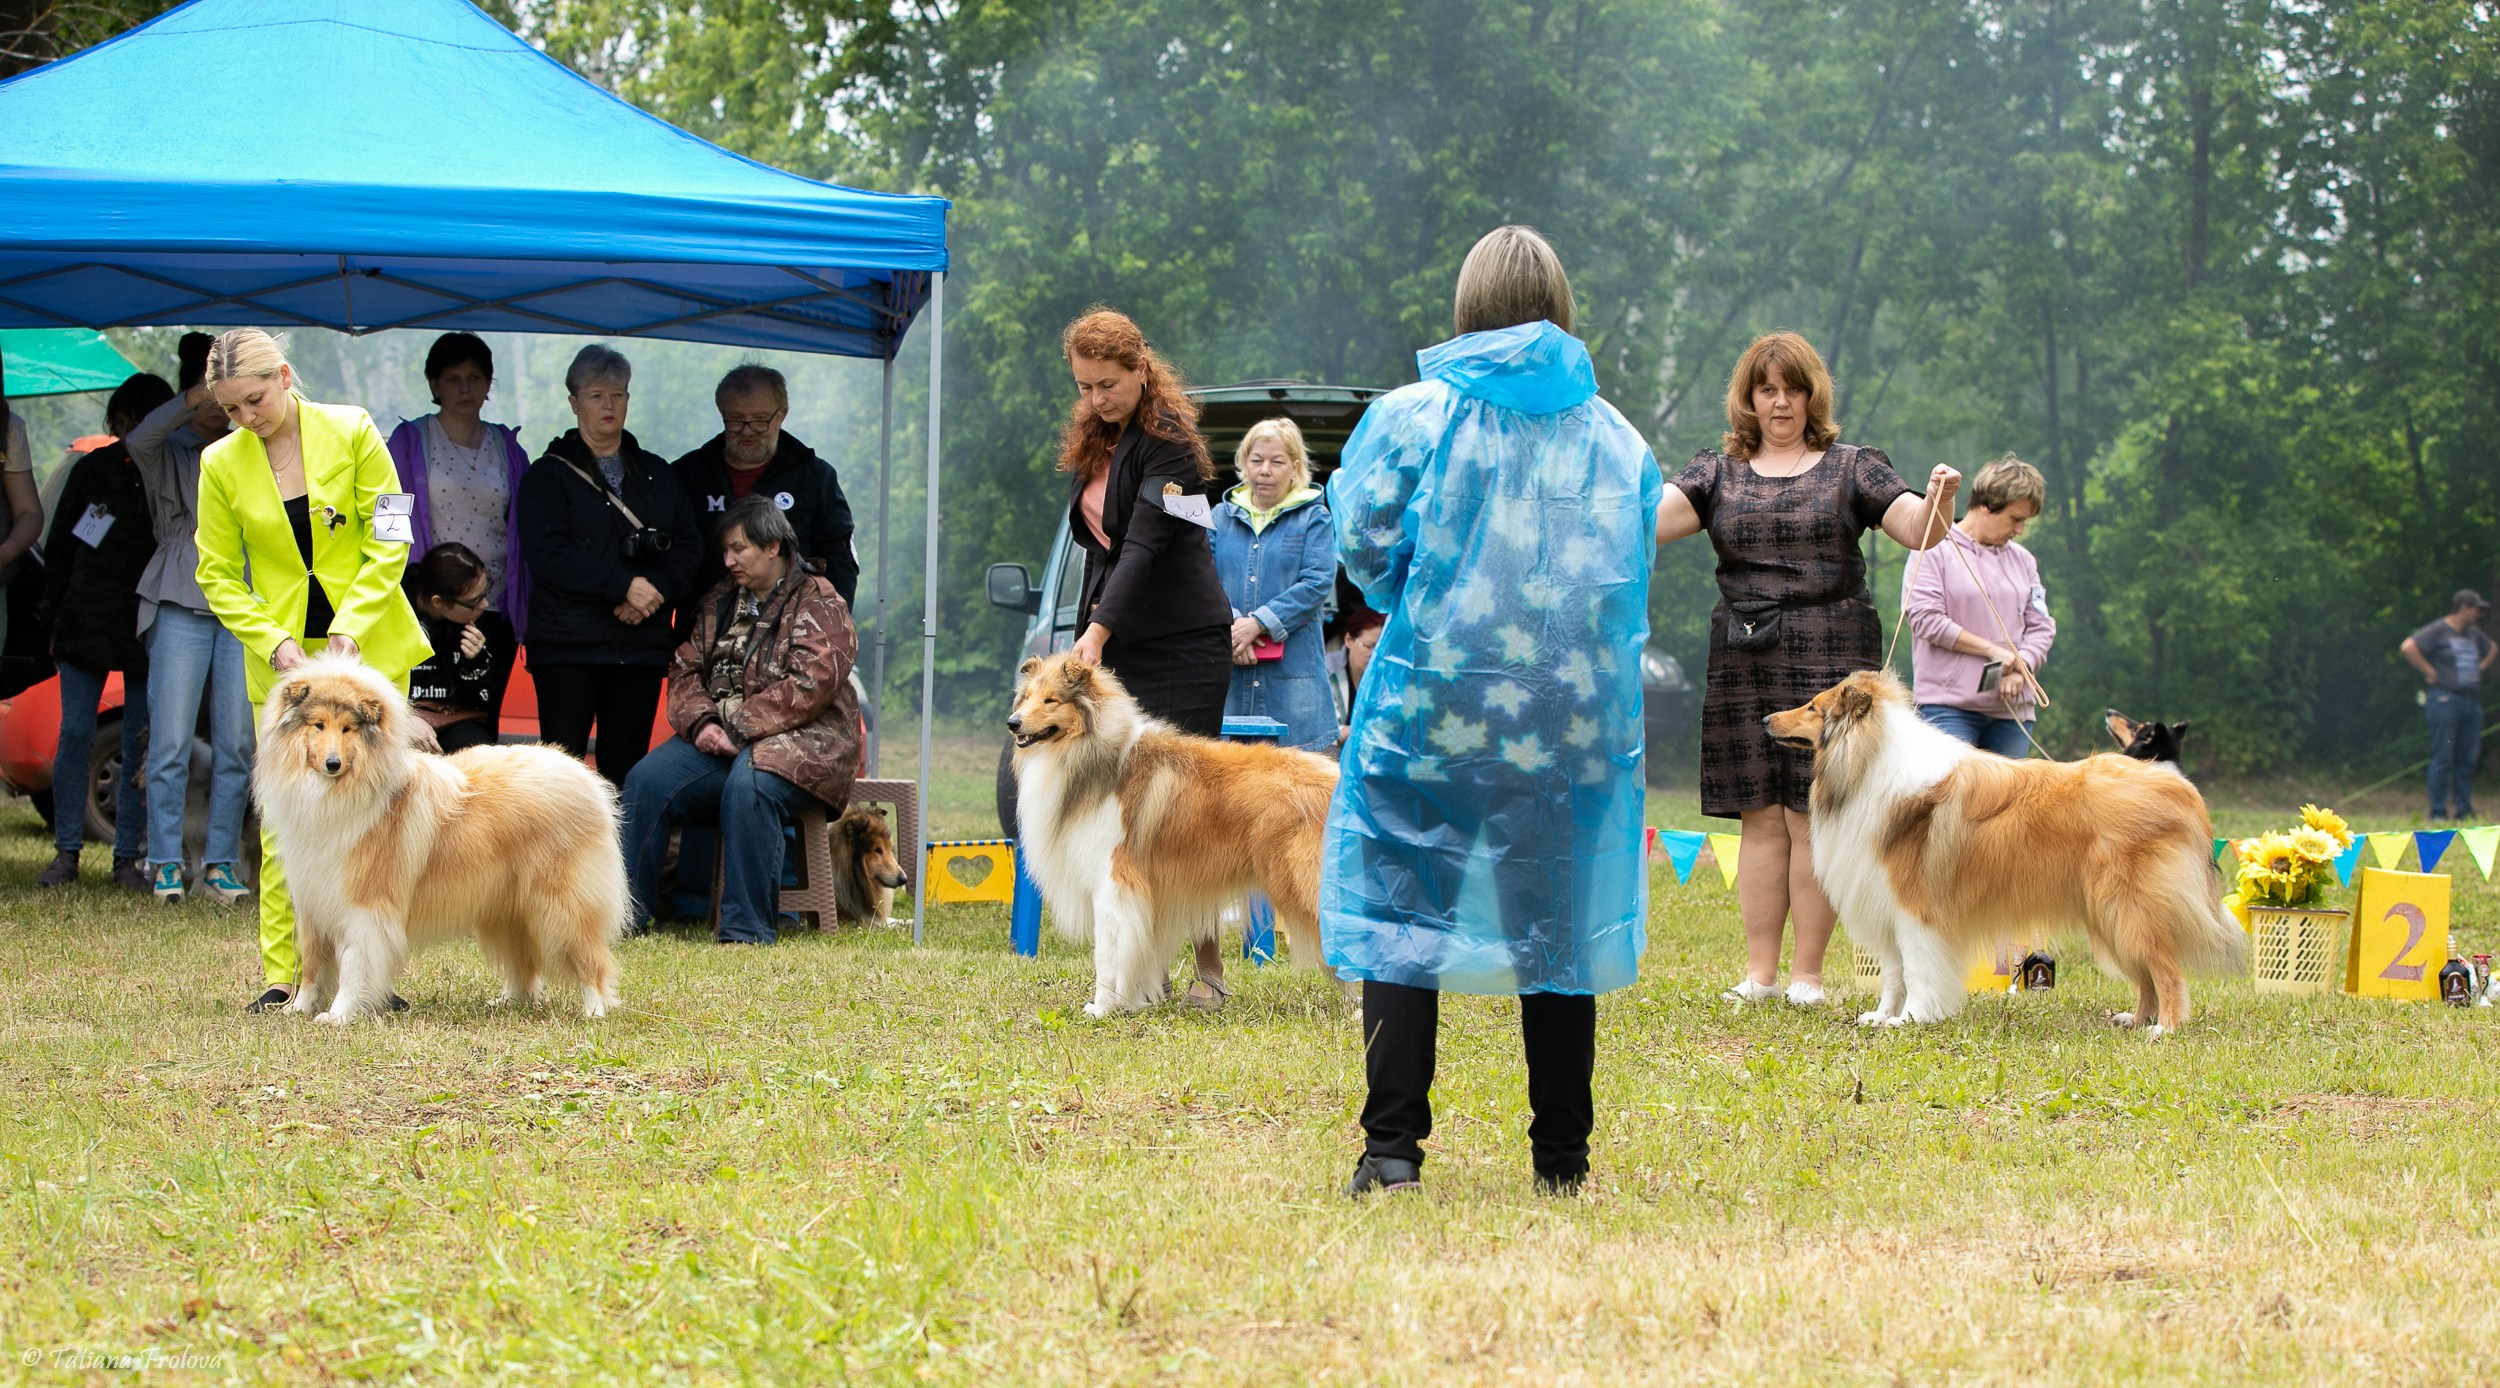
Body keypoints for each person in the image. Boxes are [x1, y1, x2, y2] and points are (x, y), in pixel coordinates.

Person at [1326, 226, 1662, 1198]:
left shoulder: (1409, 418)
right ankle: (1561, 1156)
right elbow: (1620, 579)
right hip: (1568, 722)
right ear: (1560, 303)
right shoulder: (1615, 438)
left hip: (1431, 709)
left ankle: (1390, 1150)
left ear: (1466, 304)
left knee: (1404, 916)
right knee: (1554, 929)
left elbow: (1369, 553)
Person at [1656, 330, 1958, 1007]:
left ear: (1811, 394)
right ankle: (1761, 975)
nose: (1781, 401)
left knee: (1811, 816)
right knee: (1760, 817)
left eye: (1793, 388)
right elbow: (1644, 521)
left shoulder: (1854, 466)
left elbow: (1920, 529)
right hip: (1743, 656)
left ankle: (1808, 977)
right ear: (1750, 398)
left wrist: (1940, 496)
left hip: (1832, 657)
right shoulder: (1714, 472)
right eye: (1767, 389)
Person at [192, 328, 429, 1013]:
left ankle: (371, 975)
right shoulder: (218, 463)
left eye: (255, 400)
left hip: (372, 649)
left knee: (383, 820)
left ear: (286, 376)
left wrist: (350, 624)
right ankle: (287, 973)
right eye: (230, 410)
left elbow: (392, 534)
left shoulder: (353, 429)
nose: (246, 419)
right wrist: (273, 643)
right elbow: (216, 572)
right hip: (285, 663)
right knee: (285, 822)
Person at [1058, 307, 1238, 1008]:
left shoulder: (1172, 446)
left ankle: (1211, 975)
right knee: (1126, 813)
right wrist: (1089, 632)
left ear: (1141, 369)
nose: (1096, 400)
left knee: (1186, 812)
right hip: (1121, 639)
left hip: (1184, 643)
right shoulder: (1101, 441)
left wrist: (1098, 633)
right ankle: (1146, 970)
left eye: (1108, 384)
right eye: (1084, 387)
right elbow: (1099, 552)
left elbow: (1144, 545)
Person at [623, 496, 862, 945]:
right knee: (645, 781)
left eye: (739, 549)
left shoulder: (821, 601)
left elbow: (812, 684)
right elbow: (684, 668)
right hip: (722, 738)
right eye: (726, 551)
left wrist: (738, 727)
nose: (728, 560)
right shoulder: (719, 601)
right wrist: (703, 725)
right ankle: (623, 918)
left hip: (811, 742)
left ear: (773, 547)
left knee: (749, 784)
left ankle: (745, 930)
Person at [516, 344, 701, 788]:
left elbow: (690, 546)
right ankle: (555, 861)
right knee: (560, 777)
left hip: (638, 647)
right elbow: (548, 555)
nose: (608, 405)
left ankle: (620, 860)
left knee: (626, 773)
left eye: (618, 395)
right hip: (567, 648)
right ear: (574, 401)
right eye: (596, 395)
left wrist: (651, 590)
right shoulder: (547, 475)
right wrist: (622, 587)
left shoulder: (659, 473)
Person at [125, 331, 255, 906]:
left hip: (241, 600)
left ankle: (222, 863)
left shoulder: (245, 447)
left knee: (237, 745)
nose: (215, 409)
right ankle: (166, 862)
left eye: (224, 401)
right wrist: (188, 397)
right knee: (172, 741)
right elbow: (137, 436)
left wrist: (239, 412)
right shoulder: (168, 448)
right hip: (178, 595)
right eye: (211, 399)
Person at [34, 372, 174, 889]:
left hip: (146, 625)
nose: (135, 430)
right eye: (131, 420)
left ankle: (127, 859)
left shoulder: (174, 470)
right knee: (74, 734)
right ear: (118, 422)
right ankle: (66, 853)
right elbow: (61, 551)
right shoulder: (93, 469)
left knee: (141, 741)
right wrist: (51, 619)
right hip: (84, 622)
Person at [383, 332, 533, 728]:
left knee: (481, 724)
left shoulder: (508, 447)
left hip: (492, 605)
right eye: (453, 378)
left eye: (475, 377)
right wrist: (398, 591)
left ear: (488, 384)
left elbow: (523, 532)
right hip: (428, 608)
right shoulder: (409, 441)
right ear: (434, 384)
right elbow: (387, 520)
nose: (465, 388)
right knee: (421, 726)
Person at [673, 363, 859, 618]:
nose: (748, 431)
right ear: (721, 412)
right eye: (736, 420)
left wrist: (830, 628)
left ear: (782, 414)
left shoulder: (815, 477)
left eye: (760, 421)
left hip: (789, 633)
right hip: (700, 631)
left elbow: (840, 562)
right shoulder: (687, 475)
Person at [1904, 455, 2057, 756]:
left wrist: (2020, 666)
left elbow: (2042, 626)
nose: (2020, 530)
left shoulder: (2024, 560)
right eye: (2016, 519)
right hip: (1947, 709)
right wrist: (1992, 651)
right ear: (1987, 506)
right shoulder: (1934, 548)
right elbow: (1924, 618)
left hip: (2012, 713)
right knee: (1952, 803)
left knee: (2013, 804)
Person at [1209, 417, 1337, 753]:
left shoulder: (1315, 518)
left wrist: (1258, 624)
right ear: (1243, 463)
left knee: (1296, 787)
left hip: (1293, 678)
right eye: (1256, 460)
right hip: (1230, 671)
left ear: (1295, 467)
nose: (1265, 470)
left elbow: (1317, 581)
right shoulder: (1219, 517)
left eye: (1277, 462)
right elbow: (1203, 579)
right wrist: (1233, 624)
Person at [2401, 589, 2494, 822]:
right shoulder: (2438, 630)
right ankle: (2438, 811)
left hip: (2470, 701)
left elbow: (2493, 648)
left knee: (2467, 758)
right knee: (2442, 756)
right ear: (2463, 607)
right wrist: (2428, 670)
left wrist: (2481, 667)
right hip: (2444, 699)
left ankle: (2464, 809)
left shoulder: (2473, 634)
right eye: (2476, 609)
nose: (2479, 614)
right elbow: (2408, 646)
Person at [403, 542, 504, 755]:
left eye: (485, 593)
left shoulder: (473, 619)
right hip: (400, 718)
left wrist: (475, 662)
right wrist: (405, 719)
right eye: (474, 601)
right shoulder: (395, 612)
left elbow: (483, 706)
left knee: (484, 757)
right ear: (438, 603)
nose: (484, 605)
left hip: (455, 719)